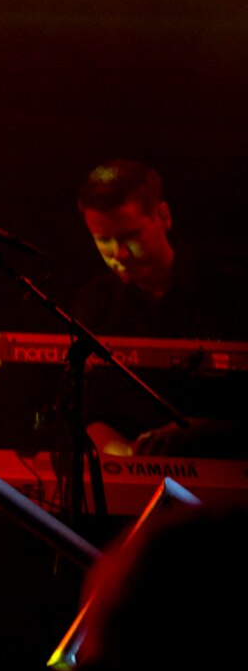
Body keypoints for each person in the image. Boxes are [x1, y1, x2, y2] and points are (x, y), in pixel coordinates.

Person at [71, 160, 247, 455]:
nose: (119, 253)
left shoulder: (228, 294)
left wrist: (191, 432)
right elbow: (83, 404)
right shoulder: (95, 303)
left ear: (163, 216)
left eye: (130, 236)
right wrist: (125, 455)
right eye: (104, 240)